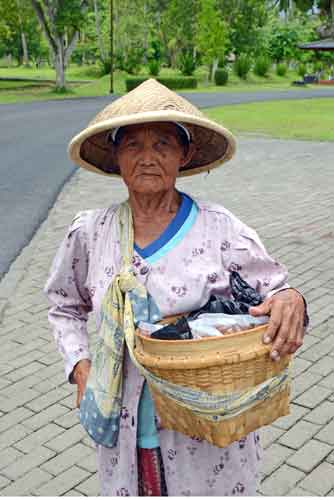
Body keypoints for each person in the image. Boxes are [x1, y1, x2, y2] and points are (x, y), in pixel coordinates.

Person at [44, 78, 308, 496]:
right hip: (126, 433)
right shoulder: (90, 232)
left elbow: (278, 291)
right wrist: (80, 367)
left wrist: (291, 300)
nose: (147, 158)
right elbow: (63, 304)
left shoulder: (221, 228)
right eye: (133, 145)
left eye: (163, 144)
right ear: (116, 155)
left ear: (183, 155)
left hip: (206, 441)